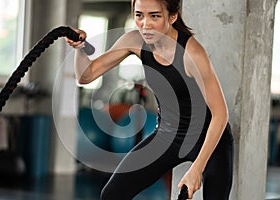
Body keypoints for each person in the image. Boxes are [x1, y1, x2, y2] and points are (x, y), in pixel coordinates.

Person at [66, 0, 234, 199]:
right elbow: (85, 76)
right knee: (112, 195)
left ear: (172, 16)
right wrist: (80, 47)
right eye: (139, 15)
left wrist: (197, 168)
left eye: (154, 16)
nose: (145, 24)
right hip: (167, 135)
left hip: (207, 139)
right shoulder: (134, 41)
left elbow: (220, 114)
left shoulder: (191, 53)